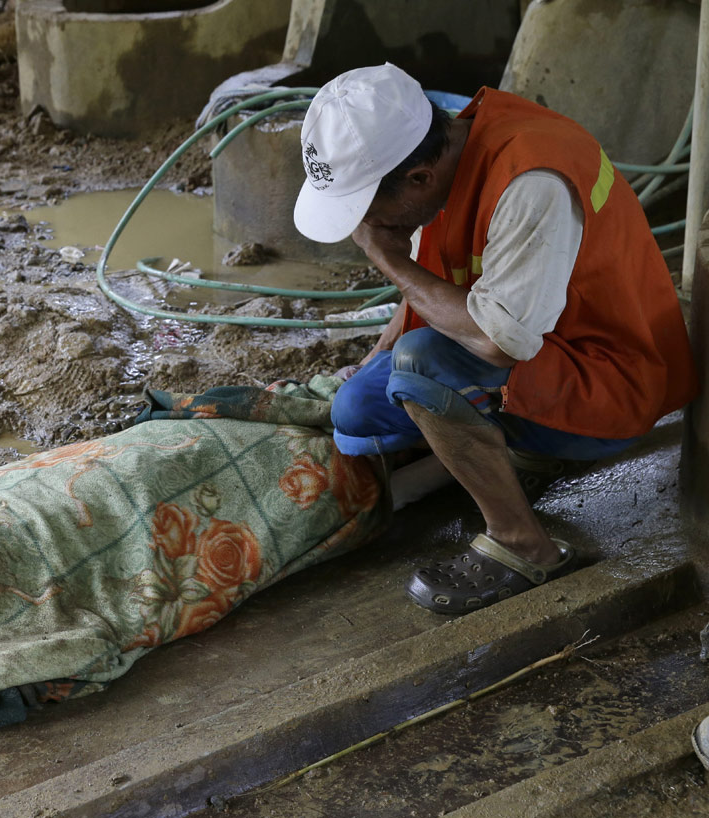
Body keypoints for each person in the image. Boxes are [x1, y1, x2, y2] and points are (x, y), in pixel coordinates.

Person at [292, 63, 697, 615]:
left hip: (612, 377)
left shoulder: (531, 180)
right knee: (358, 409)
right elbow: (434, 276)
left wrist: (386, 257)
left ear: (418, 180)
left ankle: (524, 545)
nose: (364, 230)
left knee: (423, 366)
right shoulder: (440, 145)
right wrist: (373, 357)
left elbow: (499, 342)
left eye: (367, 212)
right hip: (545, 351)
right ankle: (517, 450)